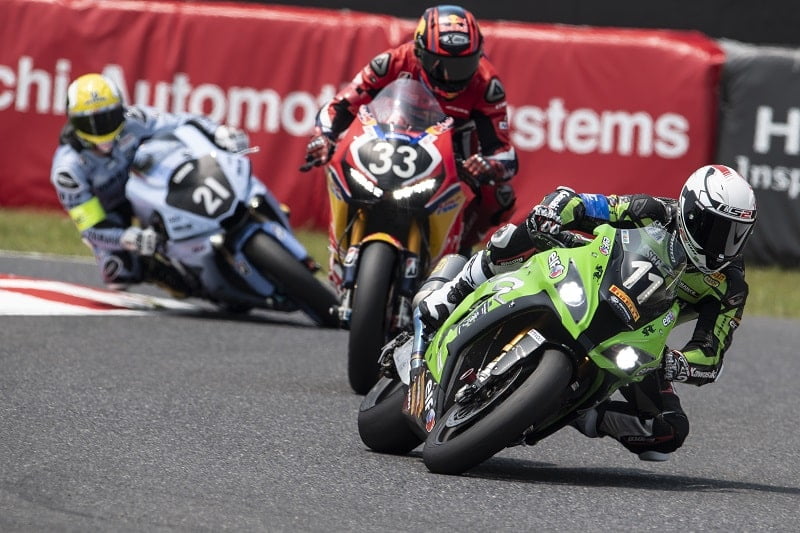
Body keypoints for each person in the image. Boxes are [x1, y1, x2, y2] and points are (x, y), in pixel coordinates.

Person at [416, 164, 758, 461]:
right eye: (717, 230)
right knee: (520, 234)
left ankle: (584, 412)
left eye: (736, 235)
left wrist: (676, 362)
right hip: (594, 281)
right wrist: (557, 209)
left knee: (667, 431)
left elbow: (710, 353)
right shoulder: (655, 211)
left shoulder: (729, 286)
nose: (724, 245)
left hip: (638, 341)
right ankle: (454, 291)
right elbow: (592, 204)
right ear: (691, 214)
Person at [302, 4, 518, 254]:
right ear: (420, 51)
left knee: (499, 196)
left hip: (455, 149)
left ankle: (460, 250)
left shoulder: (487, 84)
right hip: (391, 138)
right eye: (439, 64)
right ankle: (342, 242)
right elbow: (341, 104)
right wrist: (324, 136)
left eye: (463, 66)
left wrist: (487, 165)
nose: (451, 77)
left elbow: (504, 151)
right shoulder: (393, 61)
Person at [51, 73, 250, 293]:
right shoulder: (67, 170)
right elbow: (91, 227)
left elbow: (184, 121)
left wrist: (219, 132)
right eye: (88, 122)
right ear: (72, 121)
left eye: (109, 117)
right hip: (112, 211)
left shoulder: (135, 119)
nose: (101, 129)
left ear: (121, 109)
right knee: (118, 273)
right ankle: (162, 271)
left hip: (153, 189)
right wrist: (127, 238)